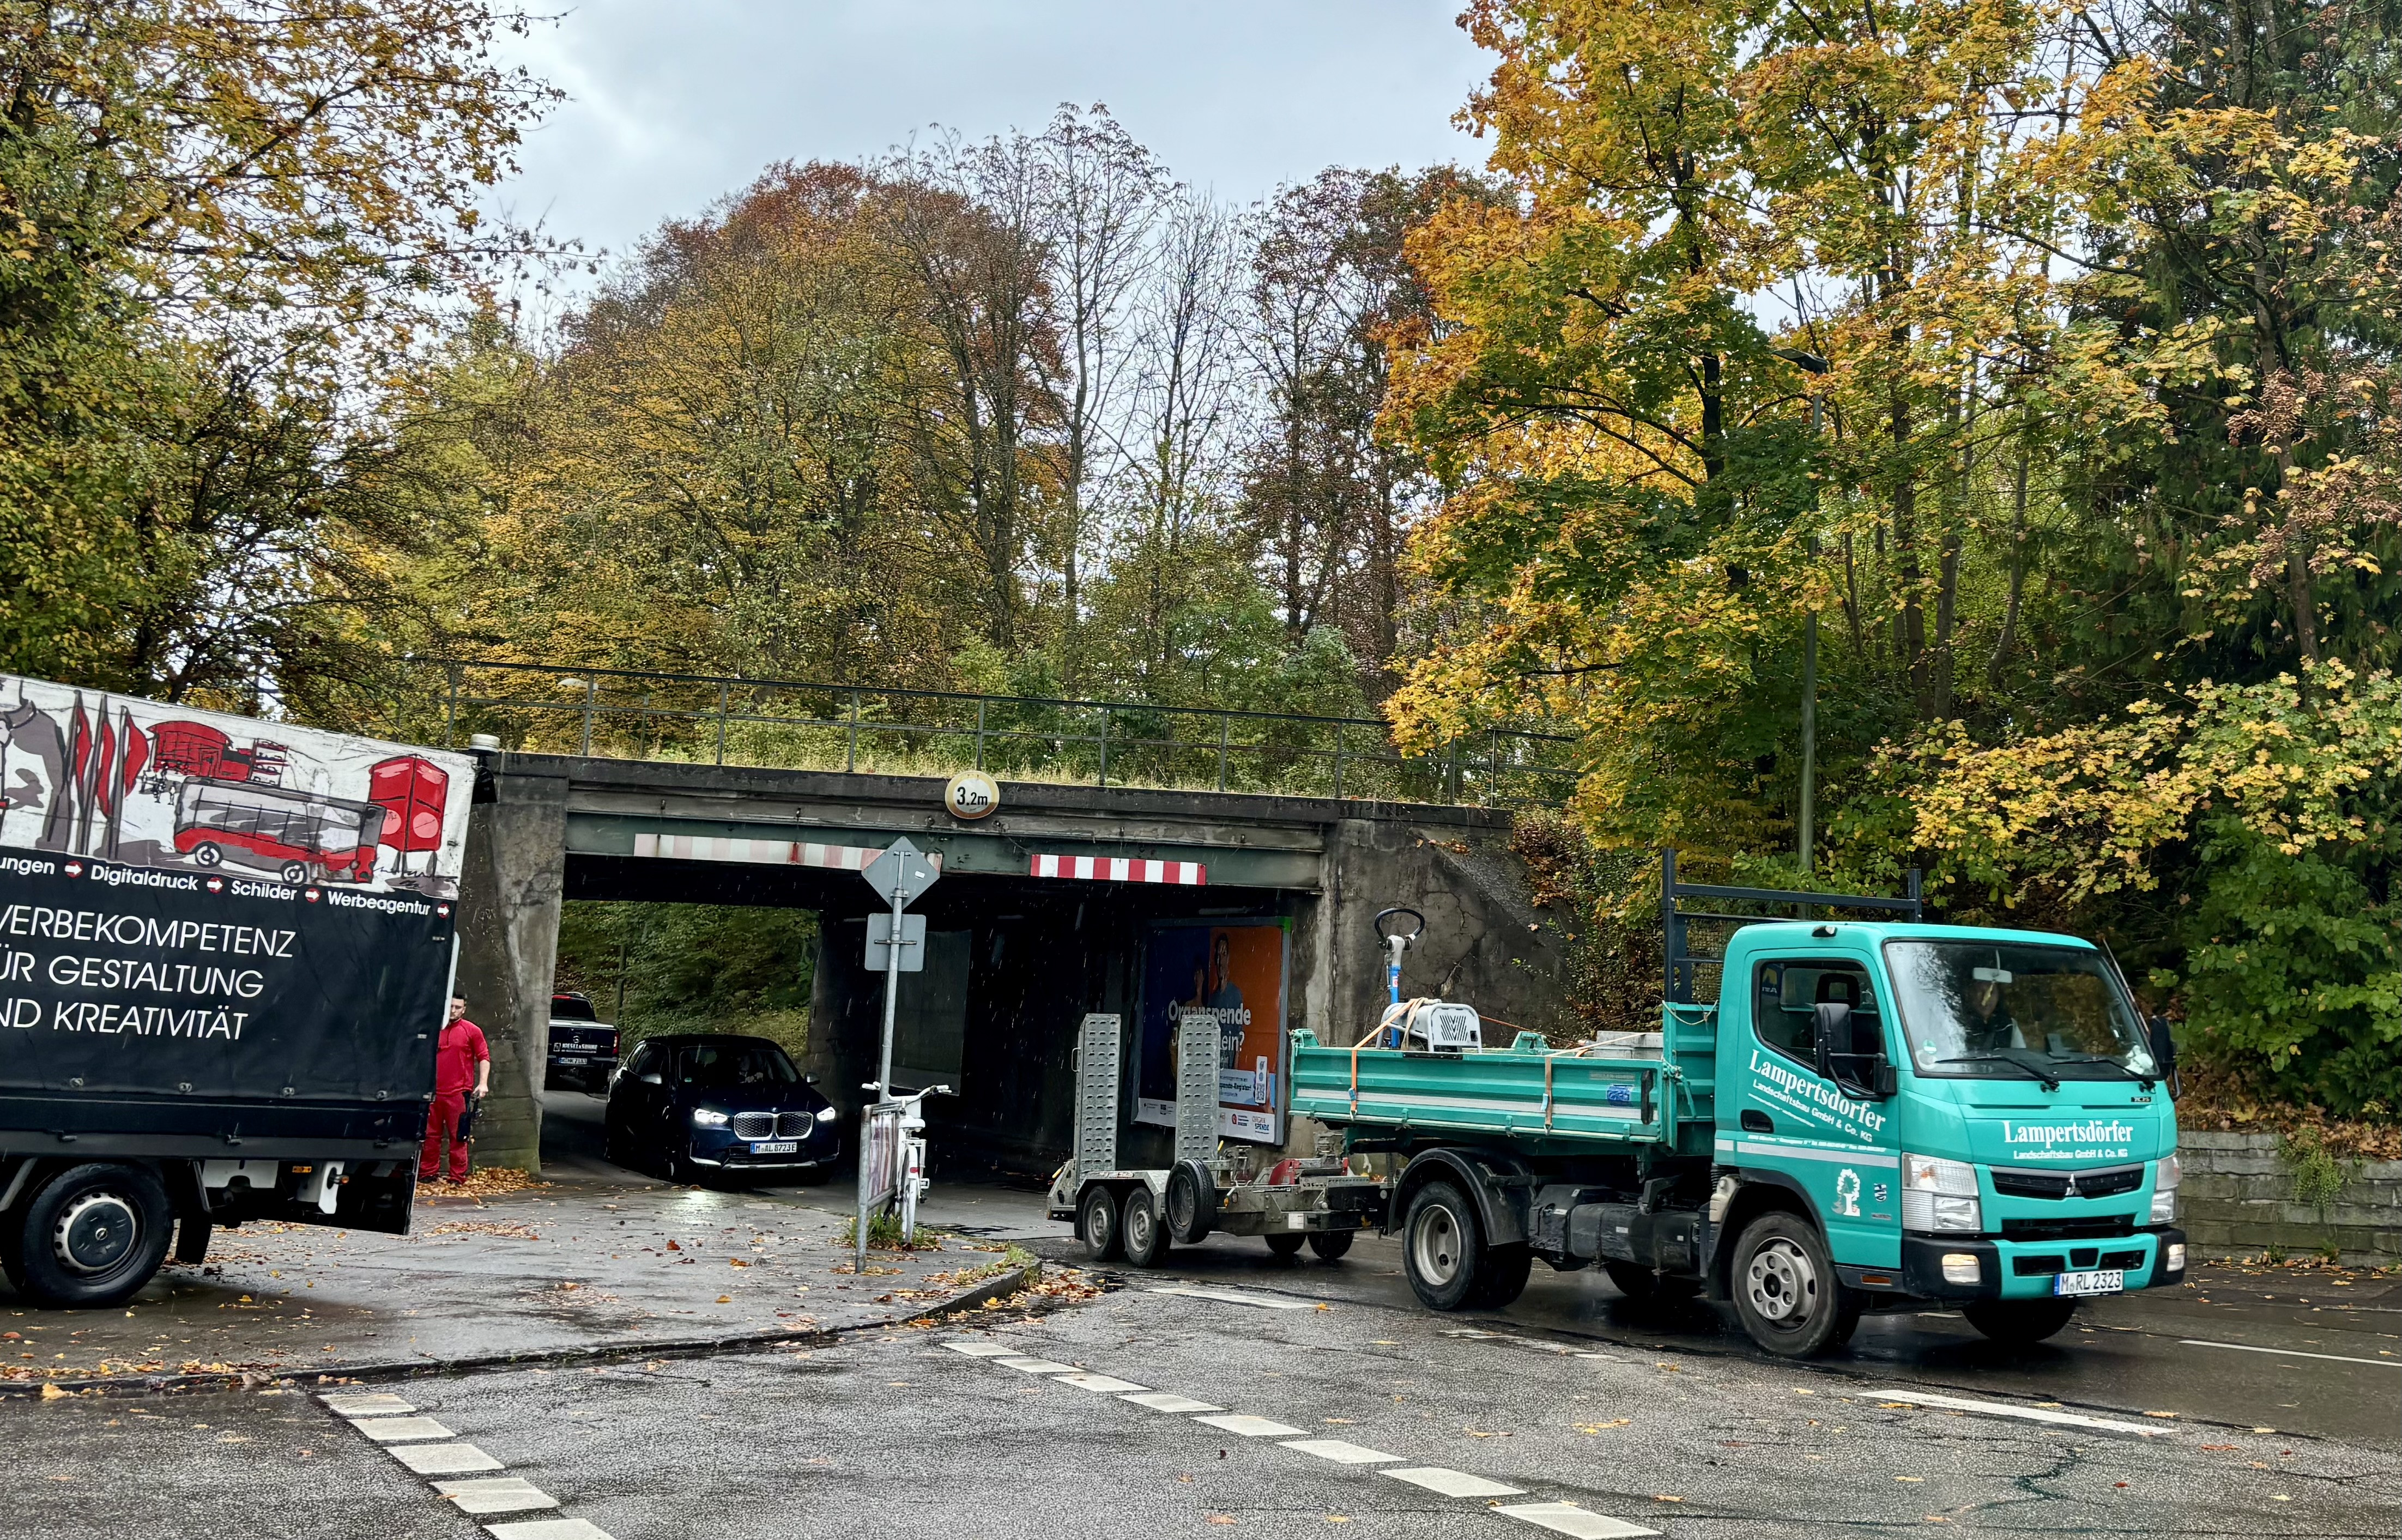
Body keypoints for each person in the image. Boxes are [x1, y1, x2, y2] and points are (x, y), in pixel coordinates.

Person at [421, 995, 491, 1184]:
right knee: (429, 1136)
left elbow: (484, 1057)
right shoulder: (434, 1027)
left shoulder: (472, 1031)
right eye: (450, 1006)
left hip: (459, 1093)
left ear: (464, 1009)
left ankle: (457, 1177)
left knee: (459, 1136)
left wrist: (483, 1083)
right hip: (432, 1092)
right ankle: (428, 1173)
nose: (453, 1010)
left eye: (457, 1007)